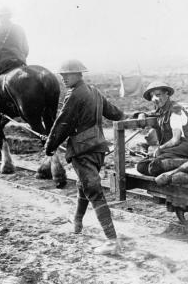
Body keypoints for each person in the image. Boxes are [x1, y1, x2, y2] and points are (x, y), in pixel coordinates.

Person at [44, 59, 123, 255]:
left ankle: (112, 241)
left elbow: (62, 124)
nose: (63, 78)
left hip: (82, 151)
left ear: (79, 74)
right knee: (84, 185)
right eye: (62, 75)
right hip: (98, 149)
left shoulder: (74, 95)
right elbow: (114, 113)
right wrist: (129, 116)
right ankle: (77, 222)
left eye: (67, 75)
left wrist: (50, 146)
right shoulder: (94, 91)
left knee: (94, 191)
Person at [136, 81, 188, 176]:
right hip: (171, 150)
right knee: (141, 166)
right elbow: (152, 114)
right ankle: (178, 165)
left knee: (154, 165)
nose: (154, 99)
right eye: (152, 96)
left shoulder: (175, 111)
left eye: (158, 95)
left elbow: (175, 140)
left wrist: (160, 148)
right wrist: (141, 114)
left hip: (183, 148)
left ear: (167, 94)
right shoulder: (162, 110)